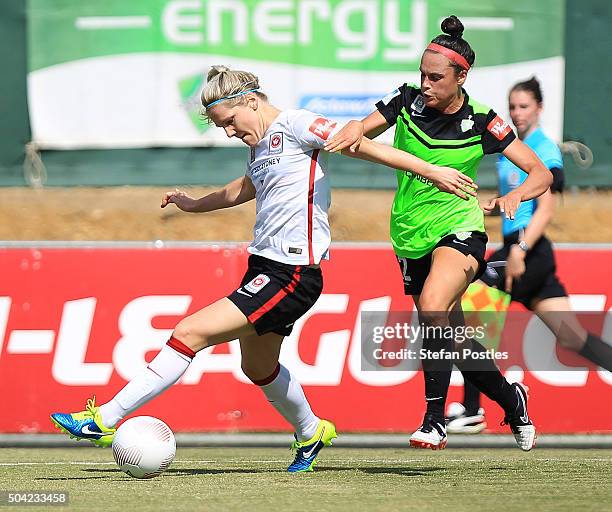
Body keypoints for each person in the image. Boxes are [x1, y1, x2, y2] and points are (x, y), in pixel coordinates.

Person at [51, 65, 478, 472]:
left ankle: (104, 420)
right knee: (257, 368)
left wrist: (430, 170)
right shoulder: (259, 144)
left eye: (230, 121)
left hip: (292, 273)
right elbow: (245, 187)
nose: (231, 132)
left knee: (188, 333)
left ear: (251, 100)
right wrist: (193, 203)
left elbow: (355, 144)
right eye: (222, 128)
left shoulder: (296, 124)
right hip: (265, 265)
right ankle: (311, 432)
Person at [325, 16, 553, 451]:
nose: (425, 84)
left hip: (460, 226)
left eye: (436, 77)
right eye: (422, 75)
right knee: (456, 341)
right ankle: (512, 400)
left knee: (432, 307)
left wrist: (517, 196)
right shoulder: (405, 102)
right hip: (409, 233)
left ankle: (433, 420)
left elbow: (539, 173)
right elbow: (358, 133)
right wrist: (352, 131)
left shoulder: (485, 120)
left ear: (461, 76)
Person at [446, 77, 612, 434]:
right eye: (513, 107)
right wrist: (490, 207)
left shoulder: (540, 146)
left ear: (539, 108)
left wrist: (520, 249)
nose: (517, 113)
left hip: (527, 250)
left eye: (524, 107)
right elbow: (518, 203)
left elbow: (546, 205)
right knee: (572, 337)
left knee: (473, 312)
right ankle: (474, 406)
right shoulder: (515, 147)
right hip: (529, 250)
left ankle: (473, 409)